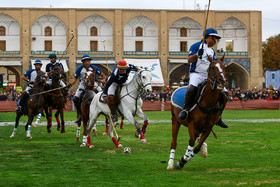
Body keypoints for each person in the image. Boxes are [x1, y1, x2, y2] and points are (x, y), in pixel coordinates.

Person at [178, 28, 228, 128]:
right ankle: (186, 110)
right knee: (191, 89)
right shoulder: (196, 46)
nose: (215, 41)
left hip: (208, 75)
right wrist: (197, 55)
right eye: (215, 38)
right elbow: (189, 60)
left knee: (224, 93)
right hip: (196, 73)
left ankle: (219, 116)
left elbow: (213, 64)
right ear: (210, 37)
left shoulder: (212, 51)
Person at [67, 54, 106, 123]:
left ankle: (104, 111)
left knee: (102, 95)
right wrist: (69, 85)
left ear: (90, 61)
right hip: (83, 85)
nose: (87, 62)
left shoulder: (94, 68)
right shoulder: (80, 69)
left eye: (88, 61)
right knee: (75, 99)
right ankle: (80, 114)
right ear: (83, 62)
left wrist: (103, 80)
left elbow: (102, 75)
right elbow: (74, 79)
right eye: (85, 61)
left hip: (93, 84)